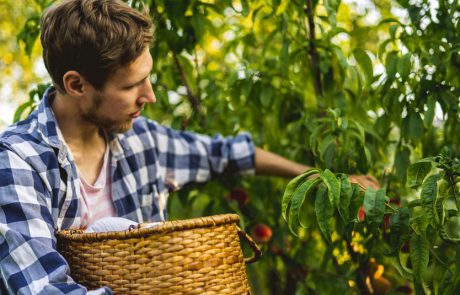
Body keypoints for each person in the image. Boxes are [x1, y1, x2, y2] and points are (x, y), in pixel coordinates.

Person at [0, 0, 377, 294]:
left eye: (148, 78)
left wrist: (326, 178)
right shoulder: (19, 162)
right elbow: (42, 288)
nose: (148, 95)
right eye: (132, 86)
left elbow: (227, 155)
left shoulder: (142, 139)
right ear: (77, 85)